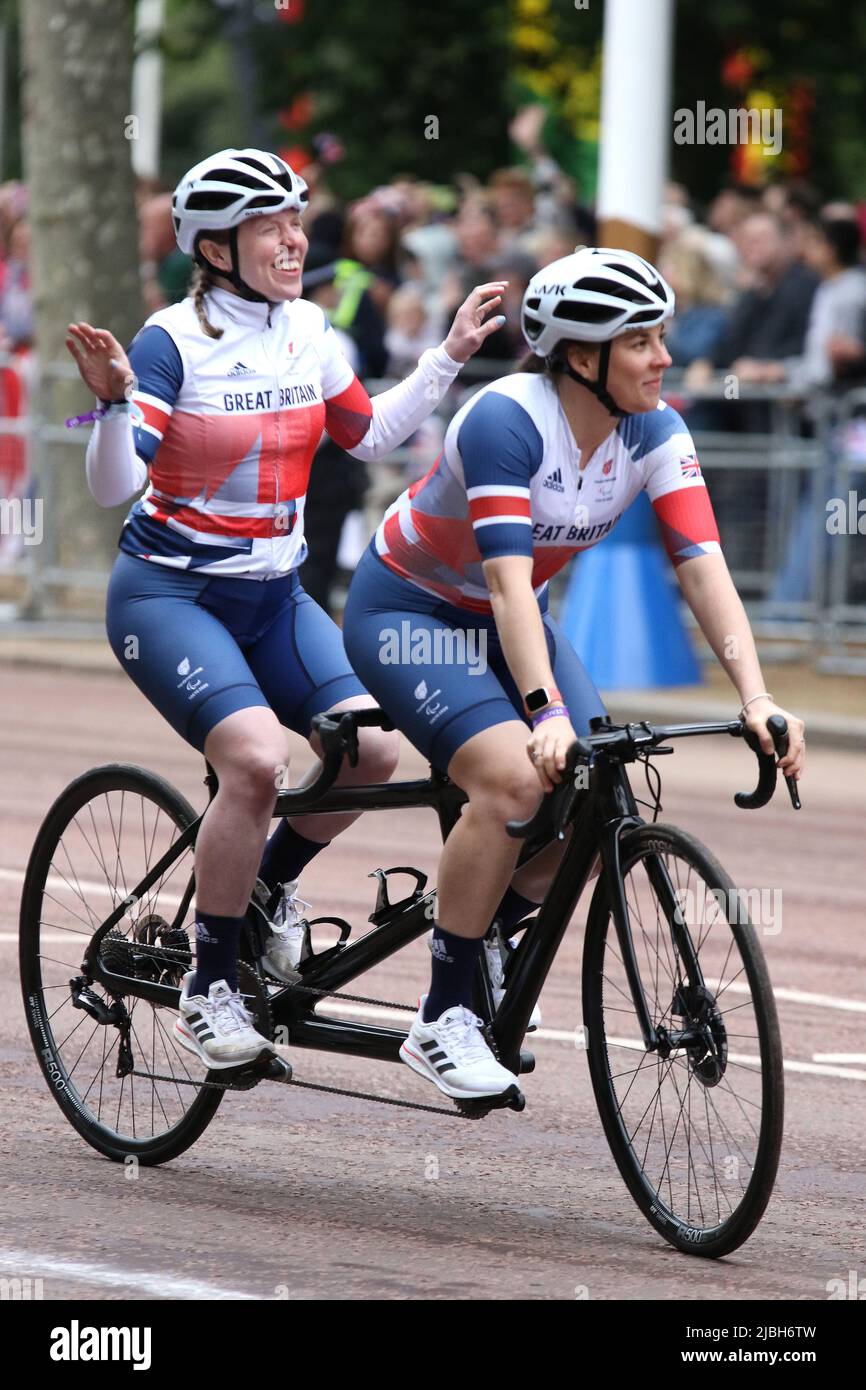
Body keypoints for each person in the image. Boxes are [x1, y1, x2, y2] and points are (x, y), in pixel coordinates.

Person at [65, 147, 507, 1073]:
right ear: (217, 247)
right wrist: (112, 407)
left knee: (374, 749)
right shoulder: (169, 340)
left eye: (297, 222)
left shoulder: (308, 328)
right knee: (259, 761)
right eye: (273, 226)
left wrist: (449, 355)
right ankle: (210, 982)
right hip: (171, 594)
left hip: (276, 595)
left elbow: (370, 431)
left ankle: (266, 888)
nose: (296, 240)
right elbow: (114, 486)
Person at [343, 246, 806, 1103]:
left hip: (510, 623)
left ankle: (482, 931)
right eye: (642, 342)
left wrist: (758, 698)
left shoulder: (656, 429)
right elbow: (505, 582)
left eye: (663, 337)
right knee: (518, 781)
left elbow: (702, 567)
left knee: (604, 793)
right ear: (581, 357)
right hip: (411, 615)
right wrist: (544, 711)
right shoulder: (505, 421)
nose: (664, 357)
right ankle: (442, 1016)